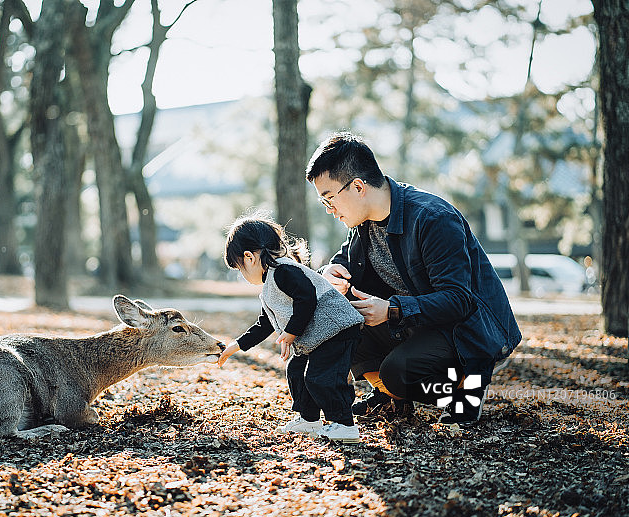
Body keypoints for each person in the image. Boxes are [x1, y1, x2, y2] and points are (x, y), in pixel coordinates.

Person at [305, 132, 521, 426]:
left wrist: (392, 310)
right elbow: (344, 261)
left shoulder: (433, 218)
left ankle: (465, 391)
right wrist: (329, 272)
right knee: (340, 327)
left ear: (357, 187)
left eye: (329, 199)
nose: (329, 210)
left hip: (464, 330)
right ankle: (390, 394)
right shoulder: (363, 221)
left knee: (399, 374)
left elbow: (460, 300)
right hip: (416, 323)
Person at [217, 215, 365, 443]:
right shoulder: (270, 284)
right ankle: (310, 420)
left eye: (240, 269)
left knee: (321, 378)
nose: (242, 275)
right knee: (296, 371)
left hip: (338, 329)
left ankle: (344, 424)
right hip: (320, 337)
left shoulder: (285, 270)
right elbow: (263, 324)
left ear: (249, 257)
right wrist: (234, 347)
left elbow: (306, 298)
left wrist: (291, 333)